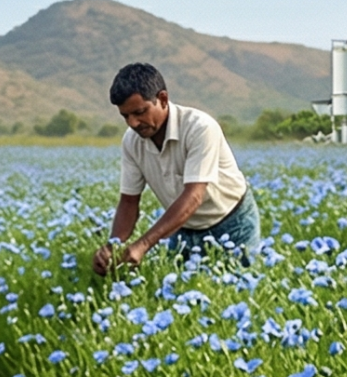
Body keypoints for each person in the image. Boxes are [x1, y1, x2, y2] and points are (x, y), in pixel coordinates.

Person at [92, 62, 259, 274]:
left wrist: (143, 245)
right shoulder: (132, 141)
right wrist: (112, 246)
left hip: (232, 222)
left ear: (162, 99)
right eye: (126, 116)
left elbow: (194, 197)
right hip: (183, 226)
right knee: (179, 292)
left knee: (236, 289)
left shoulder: (200, 128)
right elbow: (129, 201)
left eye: (140, 112)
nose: (133, 123)